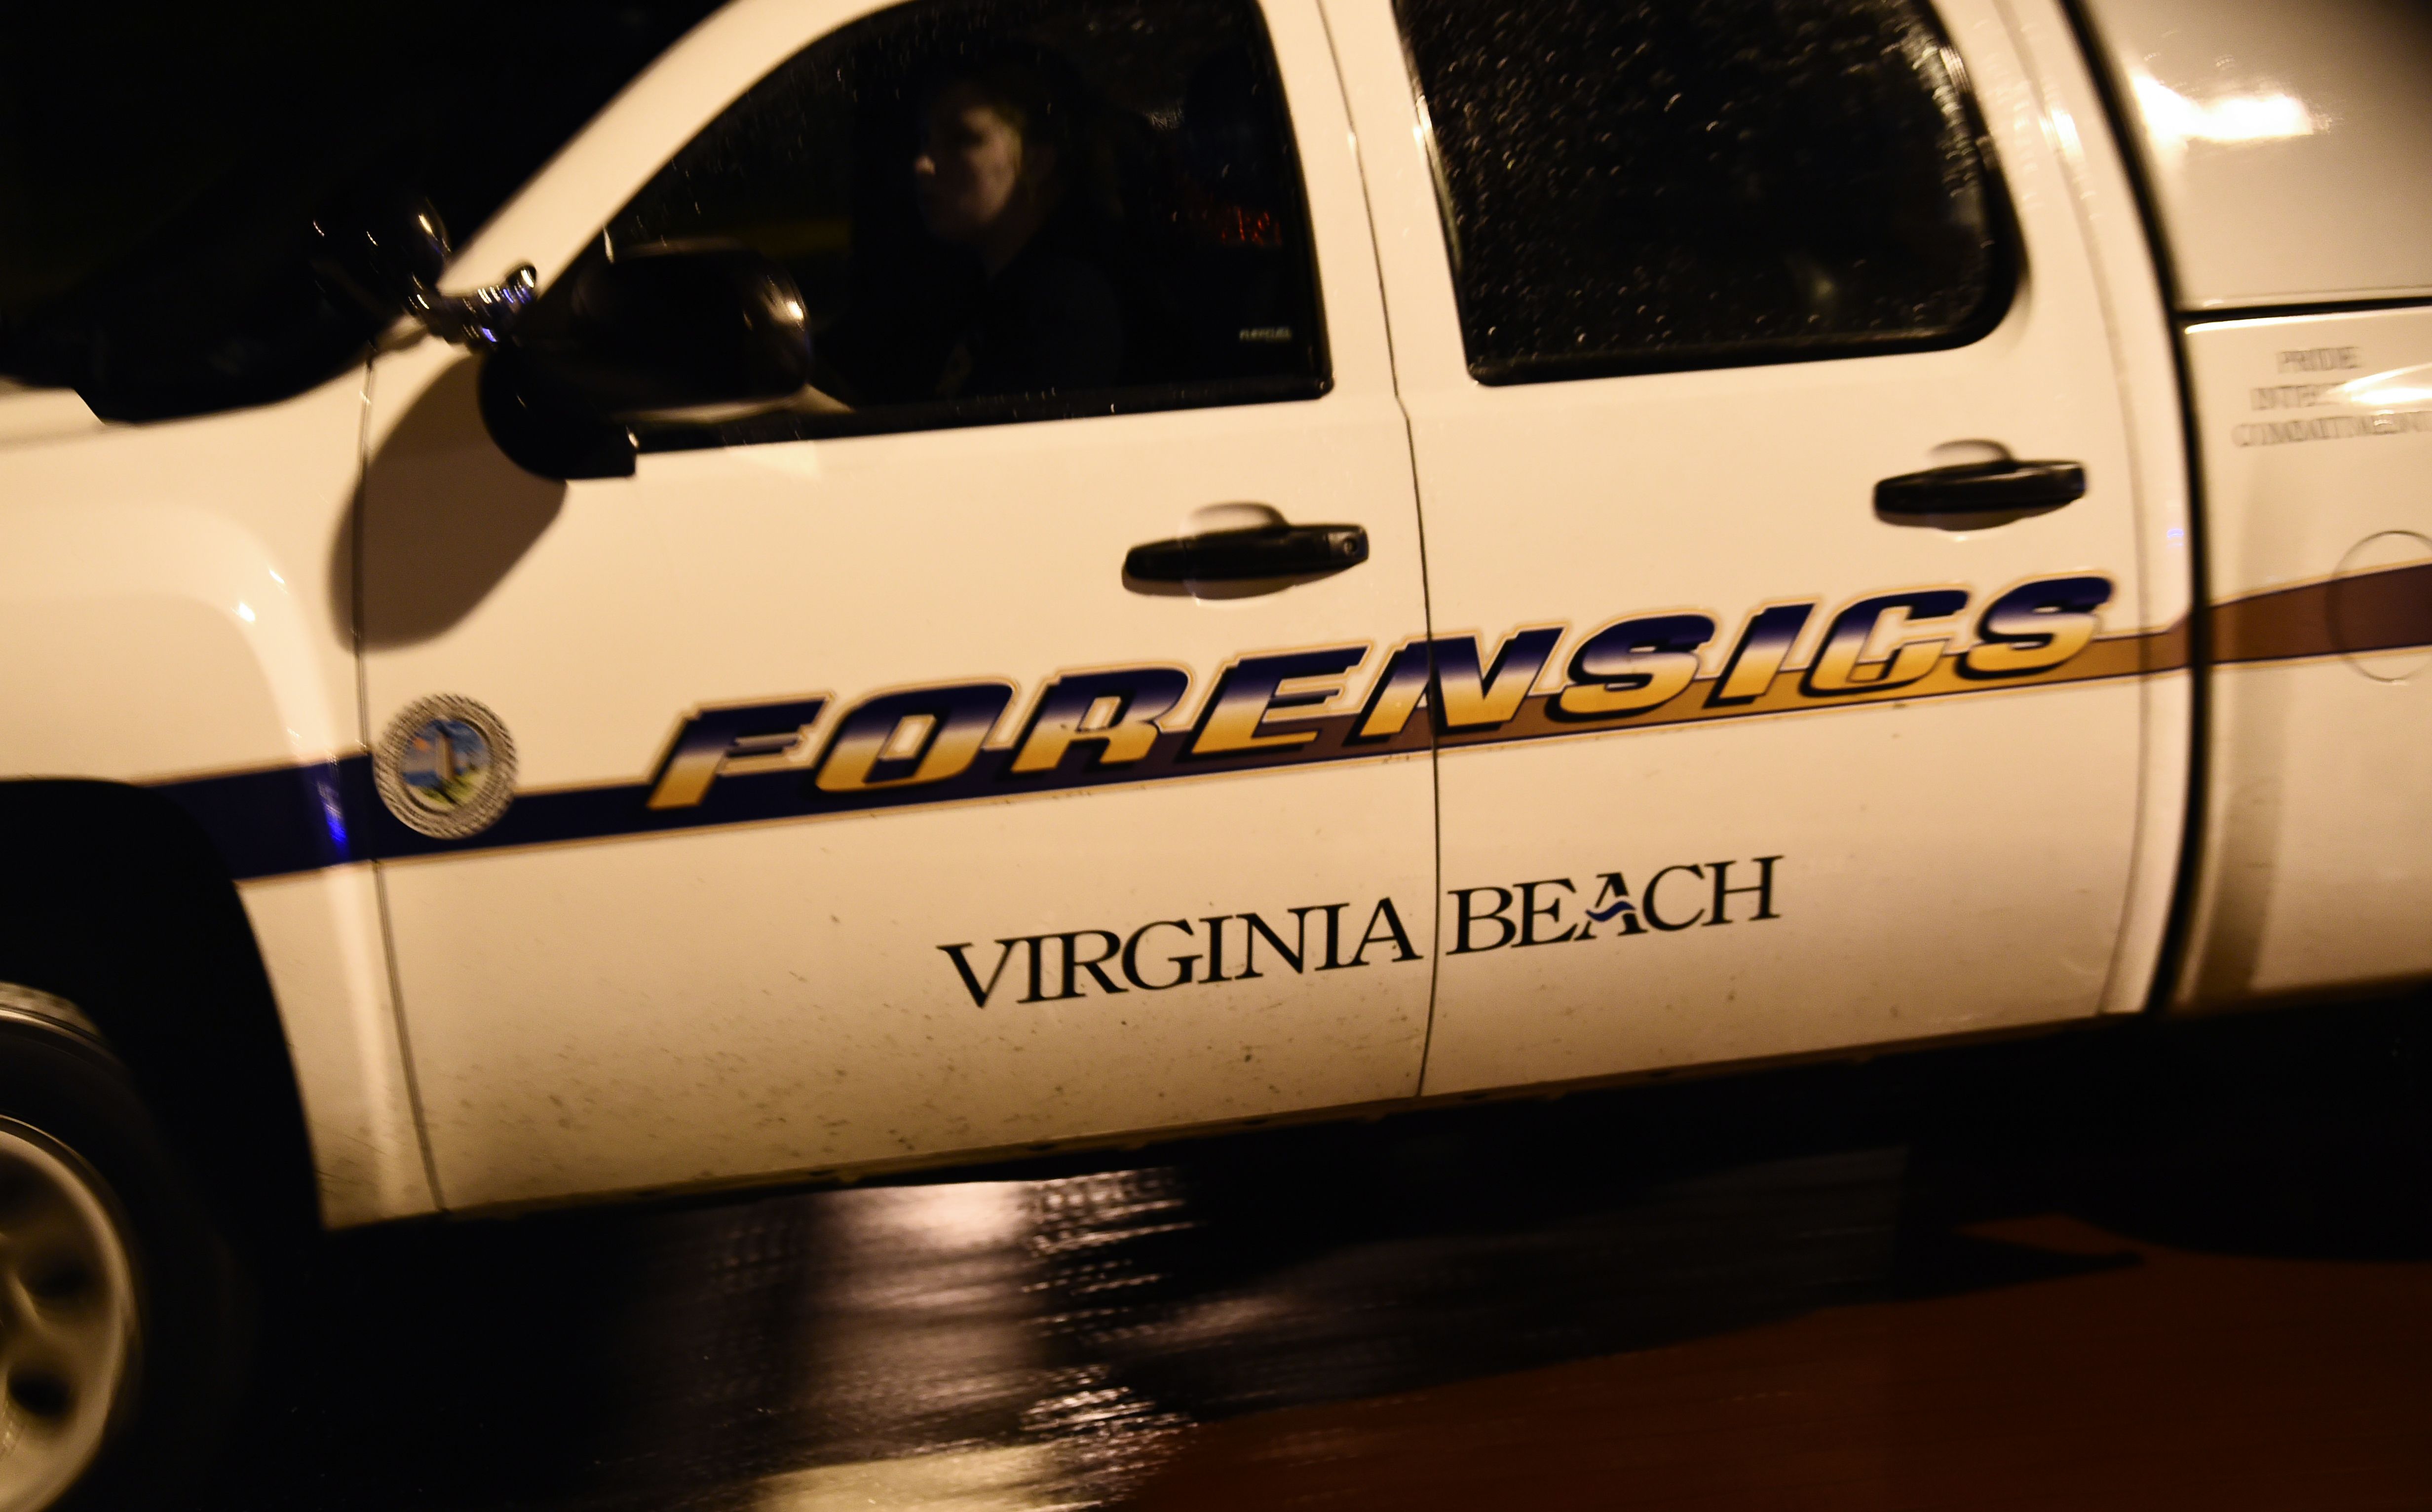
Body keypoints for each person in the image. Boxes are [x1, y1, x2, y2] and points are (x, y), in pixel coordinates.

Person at [911, 54, 1125, 399]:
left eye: (961, 139)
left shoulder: (1066, 310)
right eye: (925, 140)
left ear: (1036, 160)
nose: (922, 164)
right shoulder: (975, 294)